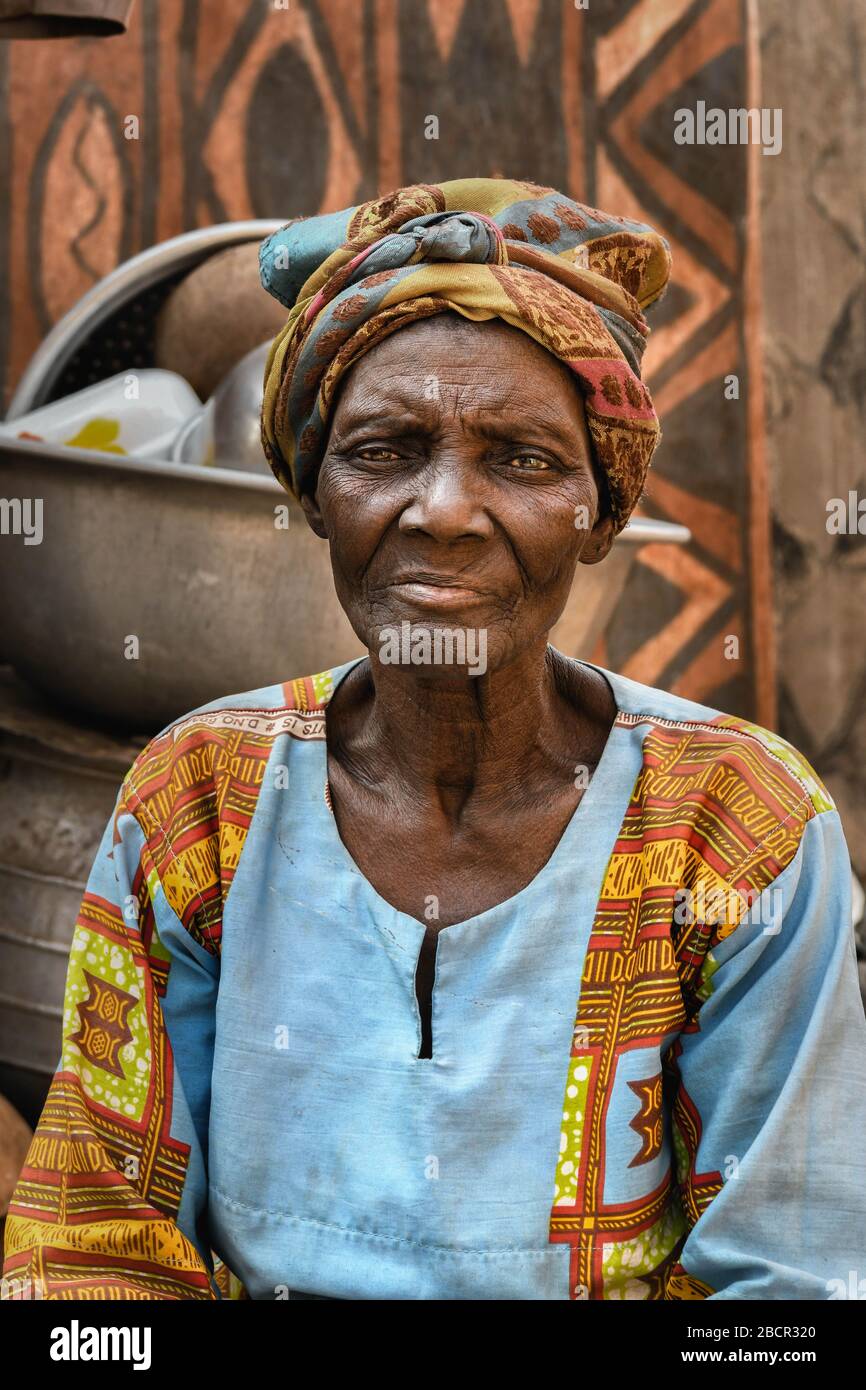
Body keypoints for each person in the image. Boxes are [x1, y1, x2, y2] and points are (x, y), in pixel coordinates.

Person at [3, 178, 865, 1301]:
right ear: (313, 490)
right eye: (383, 449)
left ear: (598, 511)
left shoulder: (736, 827)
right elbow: (89, 1262)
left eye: (520, 459)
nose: (442, 511)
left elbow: (788, 1296)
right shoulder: (200, 798)